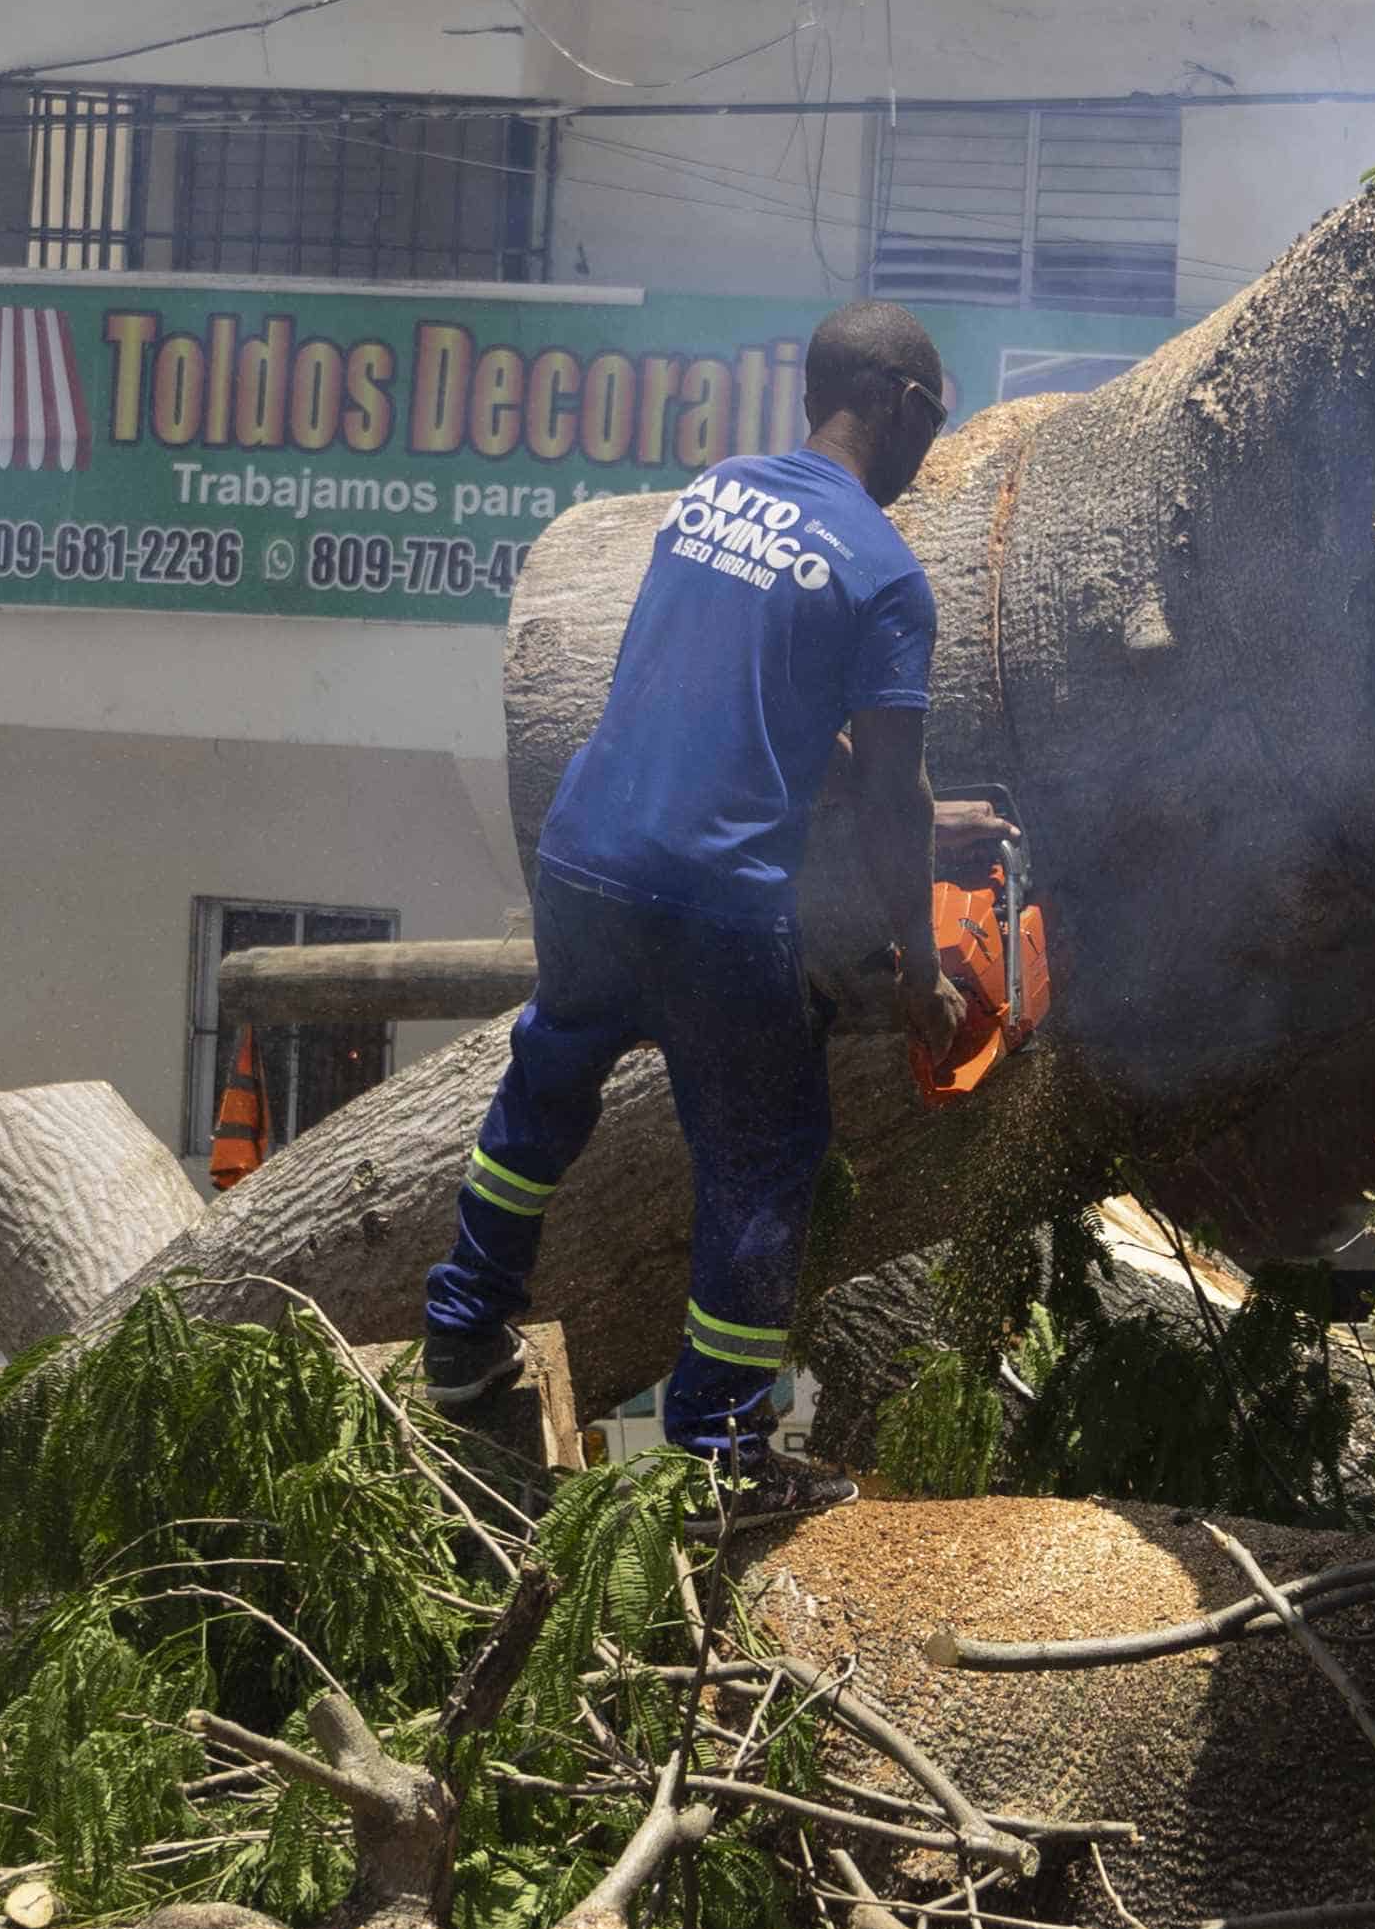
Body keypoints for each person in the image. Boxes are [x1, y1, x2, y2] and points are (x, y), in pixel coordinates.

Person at [420, 300, 1001, 1525]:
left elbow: (751, 695)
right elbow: (884, 782)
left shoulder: (716, 493)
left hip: (588, 856)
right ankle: (719, 1452)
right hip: (713, 901)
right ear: (901, 402)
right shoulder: (886, 573)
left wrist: (924, 813)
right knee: (766, 1155)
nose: (930, 450)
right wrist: (914, 959)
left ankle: (460, 1332)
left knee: (546, 1088)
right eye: (935, 421)